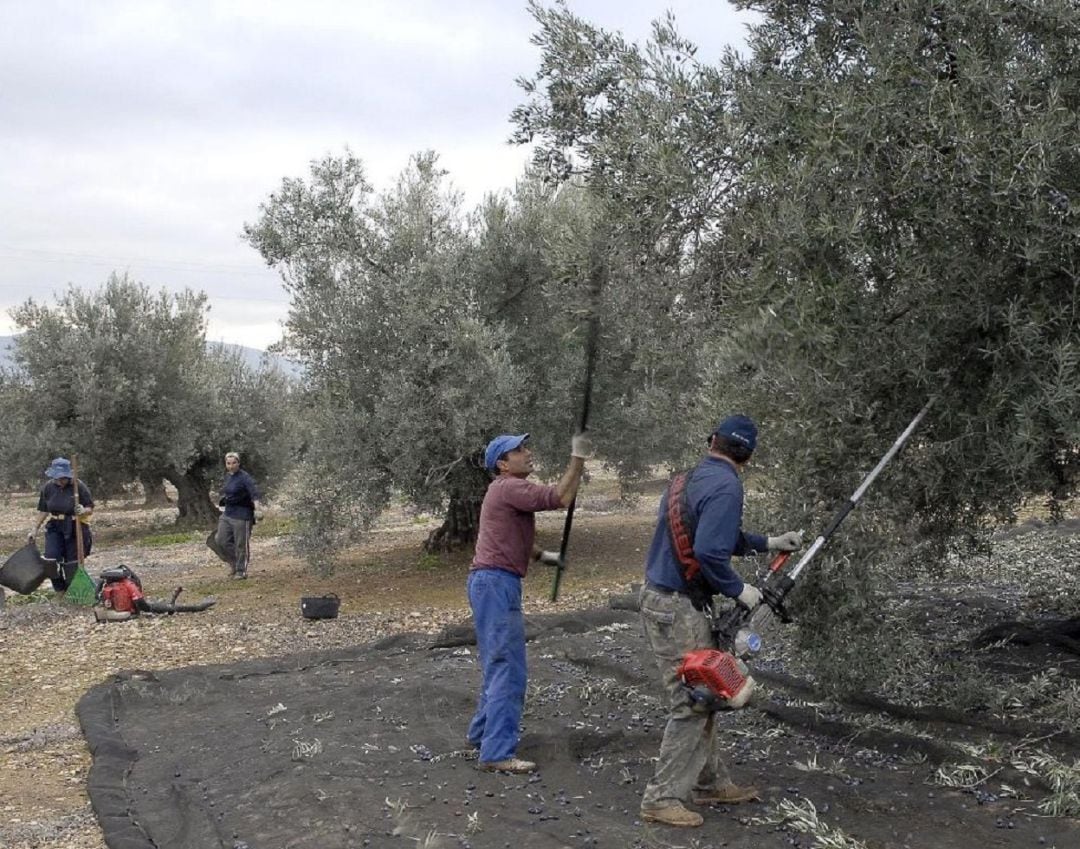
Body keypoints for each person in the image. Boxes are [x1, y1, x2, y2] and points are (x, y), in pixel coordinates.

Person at [638, 414, 803, 828]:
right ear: (747, 456)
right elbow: (711, 552)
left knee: (707, 693)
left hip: (664, 598)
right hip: (678, 607)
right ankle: (662, 798)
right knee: (693, 701)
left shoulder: (686, 479)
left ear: (713, 440)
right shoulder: (728, 486)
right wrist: (739, 589)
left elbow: (712, 536)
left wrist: (768, 543)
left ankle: (710, 782)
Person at [467, 430, 593, 774]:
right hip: (496, 584)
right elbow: (560, 497)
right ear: (503, 464)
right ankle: (496, 753)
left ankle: (481, 734)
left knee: (498, 662)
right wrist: (578, 458)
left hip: (490, 582)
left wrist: (543, 556)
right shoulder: (510, 487)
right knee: (509, 669)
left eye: (525, 446)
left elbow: (509, 536)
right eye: (518, 450)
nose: (527, 452)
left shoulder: (503, 491)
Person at [27, 457, 94, 592]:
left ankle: (73, 591)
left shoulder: (78, 486)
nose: (60, 481)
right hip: (55, 526)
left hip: (75, 526)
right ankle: (59, 590)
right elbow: (44, 510)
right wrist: (34, 529)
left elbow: (90, 507)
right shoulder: (48, 487)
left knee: (72, 563)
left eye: (63, 478)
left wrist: (83, 510)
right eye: (57, 478)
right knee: (50, 561)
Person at [215, 452, 261, 580]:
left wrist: (257, 509)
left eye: (234, 463)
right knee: (220, 541)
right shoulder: (228, 476)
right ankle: (235, 563)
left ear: (238, 463)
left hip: (242, 515)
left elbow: (254, 493)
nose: (231, 466)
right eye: (228, 463)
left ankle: (241, 571)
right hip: (228, 513)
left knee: (241, 544)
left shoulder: (244, 477)